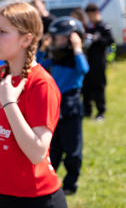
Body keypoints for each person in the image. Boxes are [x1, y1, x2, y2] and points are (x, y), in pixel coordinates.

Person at [0, 1, 67, 208]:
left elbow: (37, 153)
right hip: (1, 194)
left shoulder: (41, 84)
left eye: (2, 31)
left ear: (26, 39)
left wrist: (10, 103)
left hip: (37, 199)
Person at [38, 16, 89, 195]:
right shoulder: (55, 57)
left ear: (71, 39)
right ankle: (48, 180)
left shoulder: (76, 58)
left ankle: (70, 183)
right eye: (55, 38)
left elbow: (84, 69)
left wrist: (77, 48)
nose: (56, 42)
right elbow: (38, 66)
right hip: (55, 106)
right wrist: (44, 48)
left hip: (72, 105)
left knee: (73, 150)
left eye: (60, 38)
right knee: (53, 149)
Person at [83, 3, 114, 121]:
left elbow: (110, 41)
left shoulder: (103, 26)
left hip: (99, 60)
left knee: (98, 85)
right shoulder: (88, 26)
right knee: (86, 86)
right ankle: (87, 111)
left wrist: (97, 39)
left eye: (90, 15)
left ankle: (101, 112)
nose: (89, 18)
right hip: (87, 60)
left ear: (96, 13)